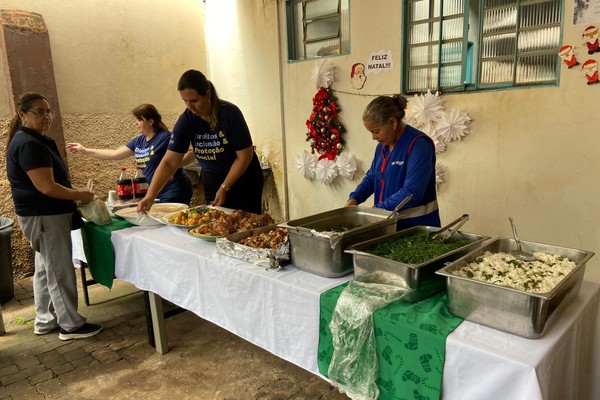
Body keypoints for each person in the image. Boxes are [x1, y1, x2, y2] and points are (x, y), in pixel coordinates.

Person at [5, 92, 102, 340]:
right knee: (59, 269)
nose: (46, 116)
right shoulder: (28, 143)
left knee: (45, 268)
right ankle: (70, 325)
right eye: (39, 111)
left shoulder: (33, 139)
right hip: (44, 215)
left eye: (48, 111)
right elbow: (46, 187)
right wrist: (80, 195)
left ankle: (45, 319)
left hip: (41, 215)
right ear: (22, 115)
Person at [137, 69, 264, 214]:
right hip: (212, 177)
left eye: (194, 101)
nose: (190, 106)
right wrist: (150, 195)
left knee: (246, 225)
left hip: (243, 178)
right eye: (185, 101)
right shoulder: (187, 120)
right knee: (217, 224)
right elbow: (169, 162)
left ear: (208, 95)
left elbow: (245, 157)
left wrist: (224, 187)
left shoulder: (230, 114)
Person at [345, 94, 441, 230]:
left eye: (376, 131)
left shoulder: (418, 145)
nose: (373, 137)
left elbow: (412, 191)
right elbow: (372, 177)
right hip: (388, 225)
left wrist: (375, 211)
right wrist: (354, 200)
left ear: (393, 123)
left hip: (416, 229)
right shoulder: (382, 147)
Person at [66, 104, 194, 204]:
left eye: (139, 119)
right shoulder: (138, 141)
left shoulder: (166, 137)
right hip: (154, 191)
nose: (136, 123)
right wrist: (85, 150)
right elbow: (115, 154)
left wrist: (172, 166)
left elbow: (191, 152)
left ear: (150, 121)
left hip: (174, 188)